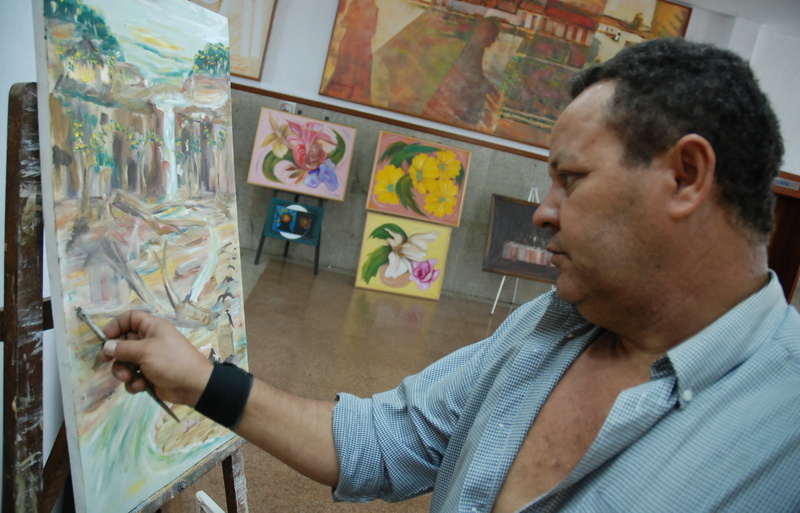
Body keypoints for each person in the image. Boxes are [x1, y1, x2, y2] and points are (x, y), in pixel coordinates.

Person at [101, 38, 800, 512]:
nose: (543, 212)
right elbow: (385, 441)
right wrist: (200, 380)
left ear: (685, 175)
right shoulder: (547, 326)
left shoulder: (783, 437)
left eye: (572, 179)